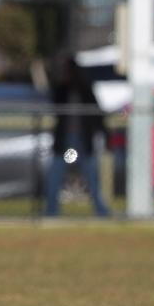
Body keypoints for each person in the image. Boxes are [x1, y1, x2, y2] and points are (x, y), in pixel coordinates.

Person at [44, 53, 110, 217]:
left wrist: (105, 134)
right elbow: (55, 105)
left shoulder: (85, 89)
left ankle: (100, 209)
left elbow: (97, 115)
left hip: (82, 141)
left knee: (90, 176)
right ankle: (51, 210)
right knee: (56, 174)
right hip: (65, 143)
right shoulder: (62, 90)